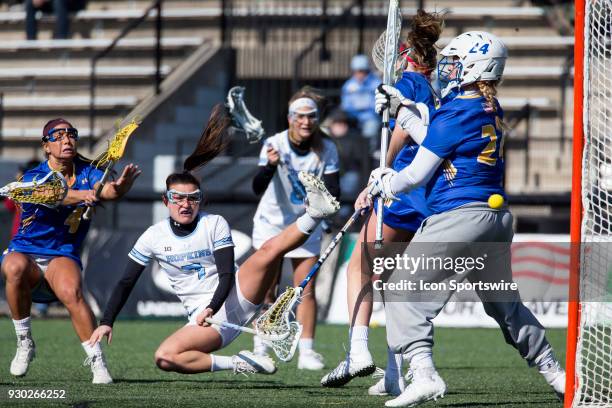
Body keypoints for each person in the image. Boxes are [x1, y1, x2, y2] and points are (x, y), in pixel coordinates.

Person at [361, 31, 566, 407]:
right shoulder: (488, 106)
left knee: (400, 289)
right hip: (496, 219)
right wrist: (404, 109)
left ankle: (423, 373)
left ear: (474, 67)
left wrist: (387, 180)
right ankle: (557, 373)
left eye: (455, 62)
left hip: (459, 217)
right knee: (504, 304)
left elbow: (417, 174)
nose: (447, 68)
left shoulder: (457, 110)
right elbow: (439, 140)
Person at [88, 105, 341, 376]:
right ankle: (238, 362)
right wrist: (106, 321)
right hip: (207, 320)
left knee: (268, 249)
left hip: (233, 296)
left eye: (192, 198)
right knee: (164, 357)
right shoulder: (153, 236)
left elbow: (226, 275)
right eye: (178, 199)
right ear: (166, 201)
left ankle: (315, 212)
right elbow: (126, 281)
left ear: (200, 200)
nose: (185, 205)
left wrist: (212, 305)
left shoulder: (214, 222)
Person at [321, 10, 443, 396]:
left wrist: (381, 173)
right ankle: (394, 372)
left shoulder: (407, 83)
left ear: (407, 57)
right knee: (391, 283)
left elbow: (403, 132)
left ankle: (357, 351)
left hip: (402, 191)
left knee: (360, 266)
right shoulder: (435, 88)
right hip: (426, 193)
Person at [1, 118, 140, 383]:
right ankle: (24, 341)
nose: (66, 140)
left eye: (71, 135)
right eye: (58, 136)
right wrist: (83, 195)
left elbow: (106, 190)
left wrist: (120, 186)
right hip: (26, 251)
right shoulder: (33, 176)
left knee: (71, 292)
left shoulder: (88, 171)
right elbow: (54, 195)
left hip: (61, 253)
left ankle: (97, 363)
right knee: (13, 267)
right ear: (46, 146)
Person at [250, 88, 340, 370]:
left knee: (305, 290)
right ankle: (260, 346)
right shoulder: (274, 144)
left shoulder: (327, 148)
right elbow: (256, 188)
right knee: (268, 291)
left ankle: (307, 352)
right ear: (290, 118)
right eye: (299, 116)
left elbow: (333, 190)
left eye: (311, 116)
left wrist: (320, 202)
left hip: (306, 225)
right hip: (272, 225)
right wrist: (270, 166)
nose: (305, 122)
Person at [341, 54, 382, 151]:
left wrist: (362, 109)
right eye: (356, 71)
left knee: (370, 129)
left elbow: (376, 107)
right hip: (352, 118)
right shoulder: (348, 85)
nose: (359, 74)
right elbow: (345, 106)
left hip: (371, 118)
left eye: (362, 71)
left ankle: (368, 155)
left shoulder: (376, 83)